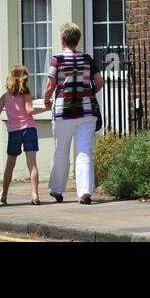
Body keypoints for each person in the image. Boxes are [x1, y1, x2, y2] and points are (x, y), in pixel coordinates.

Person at [42, 22, 104, 204]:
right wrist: (88, 94)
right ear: (77, 40)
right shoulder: (87, 59)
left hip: (64, 111)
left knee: (61, 151)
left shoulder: (57, 60)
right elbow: (99, 82)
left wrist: (46, 100)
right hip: (86, 112)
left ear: (62, 40)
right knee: (84, 151)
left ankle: (57, 190)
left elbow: (50, 85)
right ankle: (85, 192)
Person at [0, 65, 41, 205]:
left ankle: (4, 194)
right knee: (32, 164)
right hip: (29, 129)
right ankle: (35, 194)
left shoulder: (5, 97)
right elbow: (29, 110)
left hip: (14, 132)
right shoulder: (26, 93)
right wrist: (46, 108)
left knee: (10, 165)